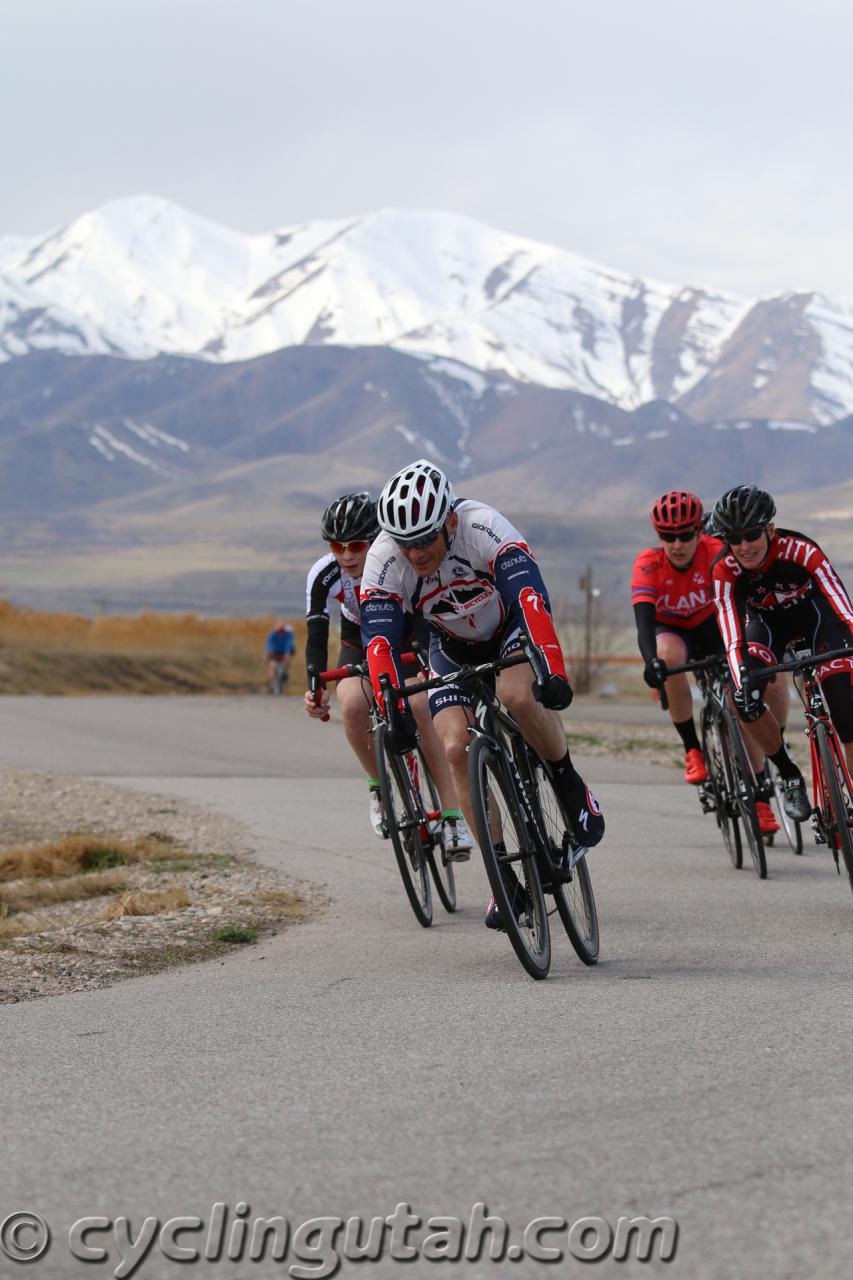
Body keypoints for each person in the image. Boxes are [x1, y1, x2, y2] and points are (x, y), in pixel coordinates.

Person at [360, 459, 604, 931]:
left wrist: (552, 670)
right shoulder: (385, 558)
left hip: (510, 628)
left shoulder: (483, 527)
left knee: (518, 696)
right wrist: (390, 707)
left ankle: (570, 783)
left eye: (426, 539)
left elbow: (531, 602)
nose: (417, 554)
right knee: (454, 746)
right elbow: (380, 643)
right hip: (449, 647)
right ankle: (502, 877)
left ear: (449, 522)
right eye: (406, 543)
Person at [304, 490, 471, 854]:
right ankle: (379, 786)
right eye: (336, 546)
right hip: (359, 639)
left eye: (357, 545)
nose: (346, 555)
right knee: (351, 705)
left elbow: (429, 617)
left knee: (421, 708)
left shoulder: (401, 561)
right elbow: (317, 633)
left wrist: (429, 666)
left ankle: (452, 814)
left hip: (409, 633)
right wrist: (314, 686)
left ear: (377, 539)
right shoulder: (324, 575)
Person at [711, 484, 853, 818]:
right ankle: (789, 775)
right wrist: (740, 671)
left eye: (752, 535)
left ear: (770, 530)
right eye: (734, 539)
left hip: (818, 619)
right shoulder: (724, 569)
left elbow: (843, 610)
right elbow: (732, 635)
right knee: (741, 697)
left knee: (846, 707)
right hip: (768, 627)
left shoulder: (801, 550)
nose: (744, 546)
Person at [631, 491, 734, 788]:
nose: (677, 545)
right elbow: (644, 623)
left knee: (739, 702)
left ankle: (760, 792)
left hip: (710, 627)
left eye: (686, 535)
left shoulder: (716, 551)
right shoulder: (648, 564)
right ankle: (692, 749)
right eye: (667, 536)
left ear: (699, 531)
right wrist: (651, 662)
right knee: (667, 657)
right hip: (673, 631)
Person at [265, 621, 295, 691]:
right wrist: (269, 652)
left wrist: (287, 653)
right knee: (272, 666)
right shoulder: (273, 634)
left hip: (284, 653)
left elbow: (288, 644)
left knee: (286, 665)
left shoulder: (287, 635)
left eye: (282, 630)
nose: (280, 632)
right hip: (275, 653)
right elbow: (269, 644)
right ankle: (271, 683)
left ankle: (285, 677)